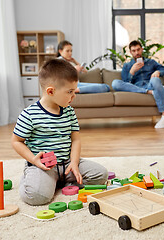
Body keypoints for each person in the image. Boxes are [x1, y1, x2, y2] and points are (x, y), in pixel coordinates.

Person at [12, 59, 108, 205]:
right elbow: (16, 141)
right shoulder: (29, 114)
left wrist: (75, 163)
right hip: (44, 166)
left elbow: (75, 139)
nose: (74, 96)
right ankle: (30, 179)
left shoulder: (69, 111)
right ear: (51, 91)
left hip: (68, 164)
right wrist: (33, 160)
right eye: (70, 92)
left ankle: (58, 182)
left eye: (74, 91)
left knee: (101, 175)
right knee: (37, 196)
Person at [112, 40, 164, 128]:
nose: (137, 53)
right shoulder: (127, 66)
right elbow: (125, 83)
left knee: (155, 80)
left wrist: (158, 71)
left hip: (150, 84)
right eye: (134, 51)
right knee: (115, 83)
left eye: (138, 50)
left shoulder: (151, 62)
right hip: (136, 86)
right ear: (131, 52)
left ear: (142, 49)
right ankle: (151, 92)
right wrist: (131, 72)